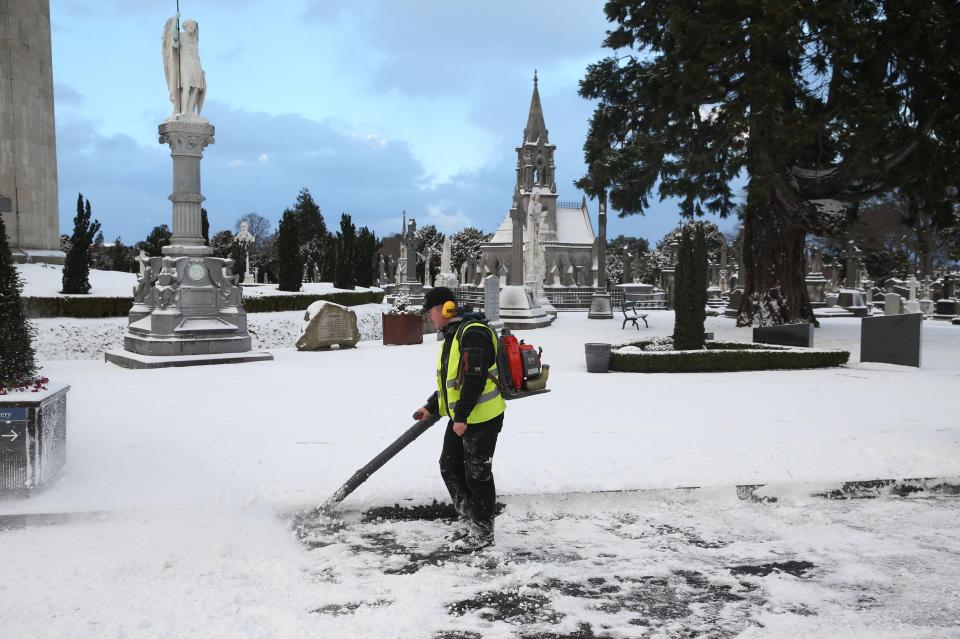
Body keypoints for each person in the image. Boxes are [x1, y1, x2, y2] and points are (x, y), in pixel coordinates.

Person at [412, 287, 506, 552]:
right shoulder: (454, 335)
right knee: (449, 465)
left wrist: (461, 416)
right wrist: (432, 406)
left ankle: (483, 531)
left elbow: (475, 379)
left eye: (430, 312)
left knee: (478, 475)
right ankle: (469, 517)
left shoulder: (473, 333)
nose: (429, 318)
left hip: (482, 418)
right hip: (463, 418)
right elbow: (452, 382)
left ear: (445, 309)